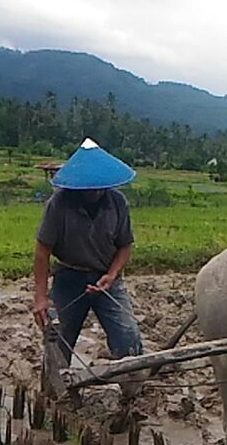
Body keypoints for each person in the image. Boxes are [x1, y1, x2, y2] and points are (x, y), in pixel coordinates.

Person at [32, 137, 144, 366]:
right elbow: (42, 252)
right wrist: (40, 298)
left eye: (99, 186)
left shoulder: (117, 203)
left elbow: (125, 245)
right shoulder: (59, 204)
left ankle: (134, 393)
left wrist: (111, 275)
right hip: (69, 279)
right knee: (57, 342)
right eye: (89, 187)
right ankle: (54, 393)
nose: (95, 191)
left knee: (128, 340)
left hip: (106, 279)